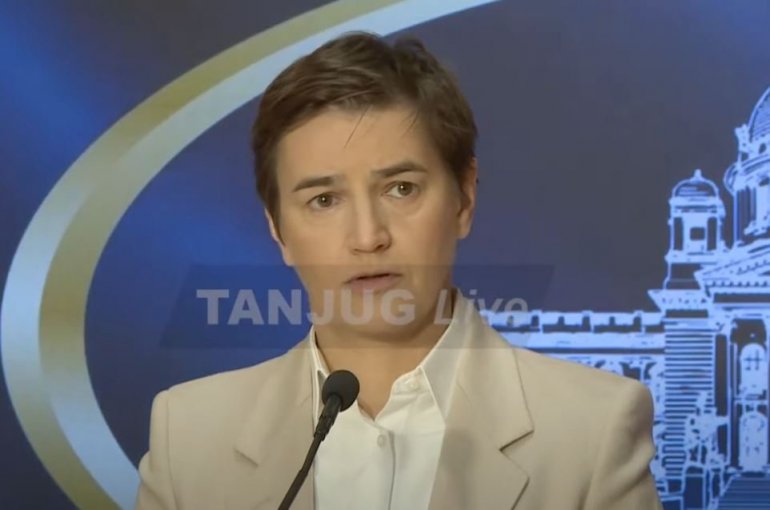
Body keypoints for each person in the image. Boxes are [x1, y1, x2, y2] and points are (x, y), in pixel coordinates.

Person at [135, 31, 663, 510]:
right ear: (278, 229)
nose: (368, 237)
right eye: (324, 200)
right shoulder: (189, 436)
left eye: (401, 189)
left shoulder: (591, 430)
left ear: (464, 198)